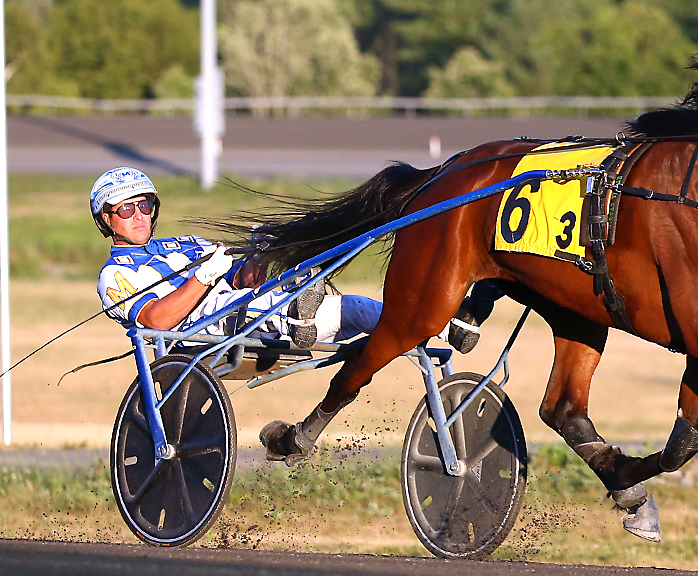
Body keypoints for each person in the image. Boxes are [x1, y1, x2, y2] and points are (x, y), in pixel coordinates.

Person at [92, 166, 486, 464]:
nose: (139, 215)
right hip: (204, 333)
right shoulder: (114, 275)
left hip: (248, 312)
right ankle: (299, 309)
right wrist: (202, 277)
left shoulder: (185, 243)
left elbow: (244, 280)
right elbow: (155, 321)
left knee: (358, 307)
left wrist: (258, 255)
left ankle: (444, 321)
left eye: (145, 205)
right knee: (297, 306)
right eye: (127, 209)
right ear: (107, 219)